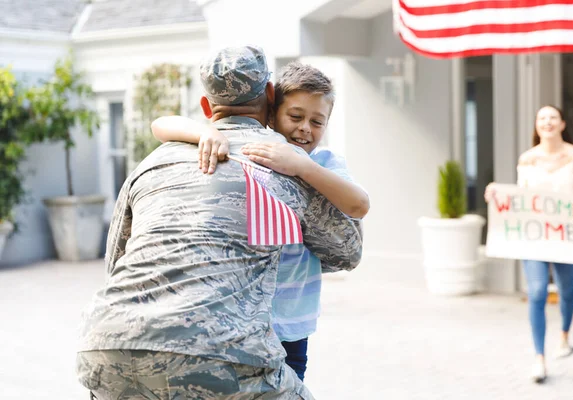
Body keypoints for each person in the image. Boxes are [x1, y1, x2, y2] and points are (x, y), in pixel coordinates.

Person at [76, 45, 363, 399]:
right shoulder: (283, 162)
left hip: (106, 348)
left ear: (206, 107)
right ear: (271, 98)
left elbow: (116, 262)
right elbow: (346, 252)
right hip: (225, 357)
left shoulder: (151, 164)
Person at [151, 61, 369, 381]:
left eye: (317, 121)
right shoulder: (253, 147)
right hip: (244, 319)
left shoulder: (324, 163)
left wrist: (302, 167)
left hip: (293, 320)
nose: (305, 128)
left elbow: (359, 204)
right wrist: (204, 132)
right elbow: (160, 125)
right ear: (271, 111)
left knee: (290, 384)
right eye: (295, 116)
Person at [485, 105, 573, 384]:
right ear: (536, 125)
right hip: (535, 237)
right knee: (536, 292)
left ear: (561, 124)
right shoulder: (527, 159)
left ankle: (565, 335)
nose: (547, 122)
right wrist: (497, 195)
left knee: (567, 290)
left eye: (552, 118)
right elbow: (522, 199)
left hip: (565, 238)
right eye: (541, 118)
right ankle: (539, 357)